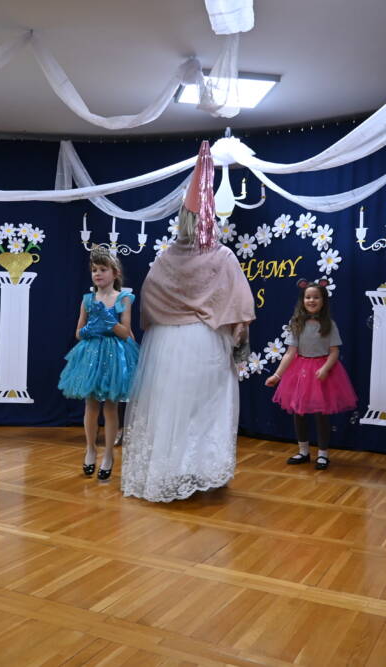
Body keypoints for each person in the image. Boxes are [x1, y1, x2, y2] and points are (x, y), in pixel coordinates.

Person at [121, 140, 255, 503]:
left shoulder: (167, 257)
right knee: (206, 408)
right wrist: (236, 336)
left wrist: (164, 319)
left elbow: (149, 298)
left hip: (167, 342)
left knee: (169, 410)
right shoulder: (222, 256)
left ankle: (169, 471)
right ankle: (200, 470)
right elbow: (241, 309)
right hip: (205, 341)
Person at [58, 246, 139, 480]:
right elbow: (78, 333)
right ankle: (91, 449)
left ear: (115, 273)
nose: (98, 274)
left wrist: (109, 321)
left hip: (115, 354)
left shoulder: (123, 298)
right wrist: (89, 329)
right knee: (91, 405)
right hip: (91, 354)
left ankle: (109, 455)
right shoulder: (87, 299)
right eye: (94, 270)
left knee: (111, 406)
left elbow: (126, 333)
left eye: (103, 269)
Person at [265, 279, 358, 469]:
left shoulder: (329, 324)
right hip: (300, 372)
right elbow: (290, 353)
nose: (311, 300)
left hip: (322, 371)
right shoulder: (296, 323)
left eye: (316, 297)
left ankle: (323, 454)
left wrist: (325, 368)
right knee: (298, 412)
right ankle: (303, 451)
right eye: (308, 297)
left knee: (321, 414)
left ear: (323, 301)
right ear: (303, 300)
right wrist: (277, 375)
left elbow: (334, 352)